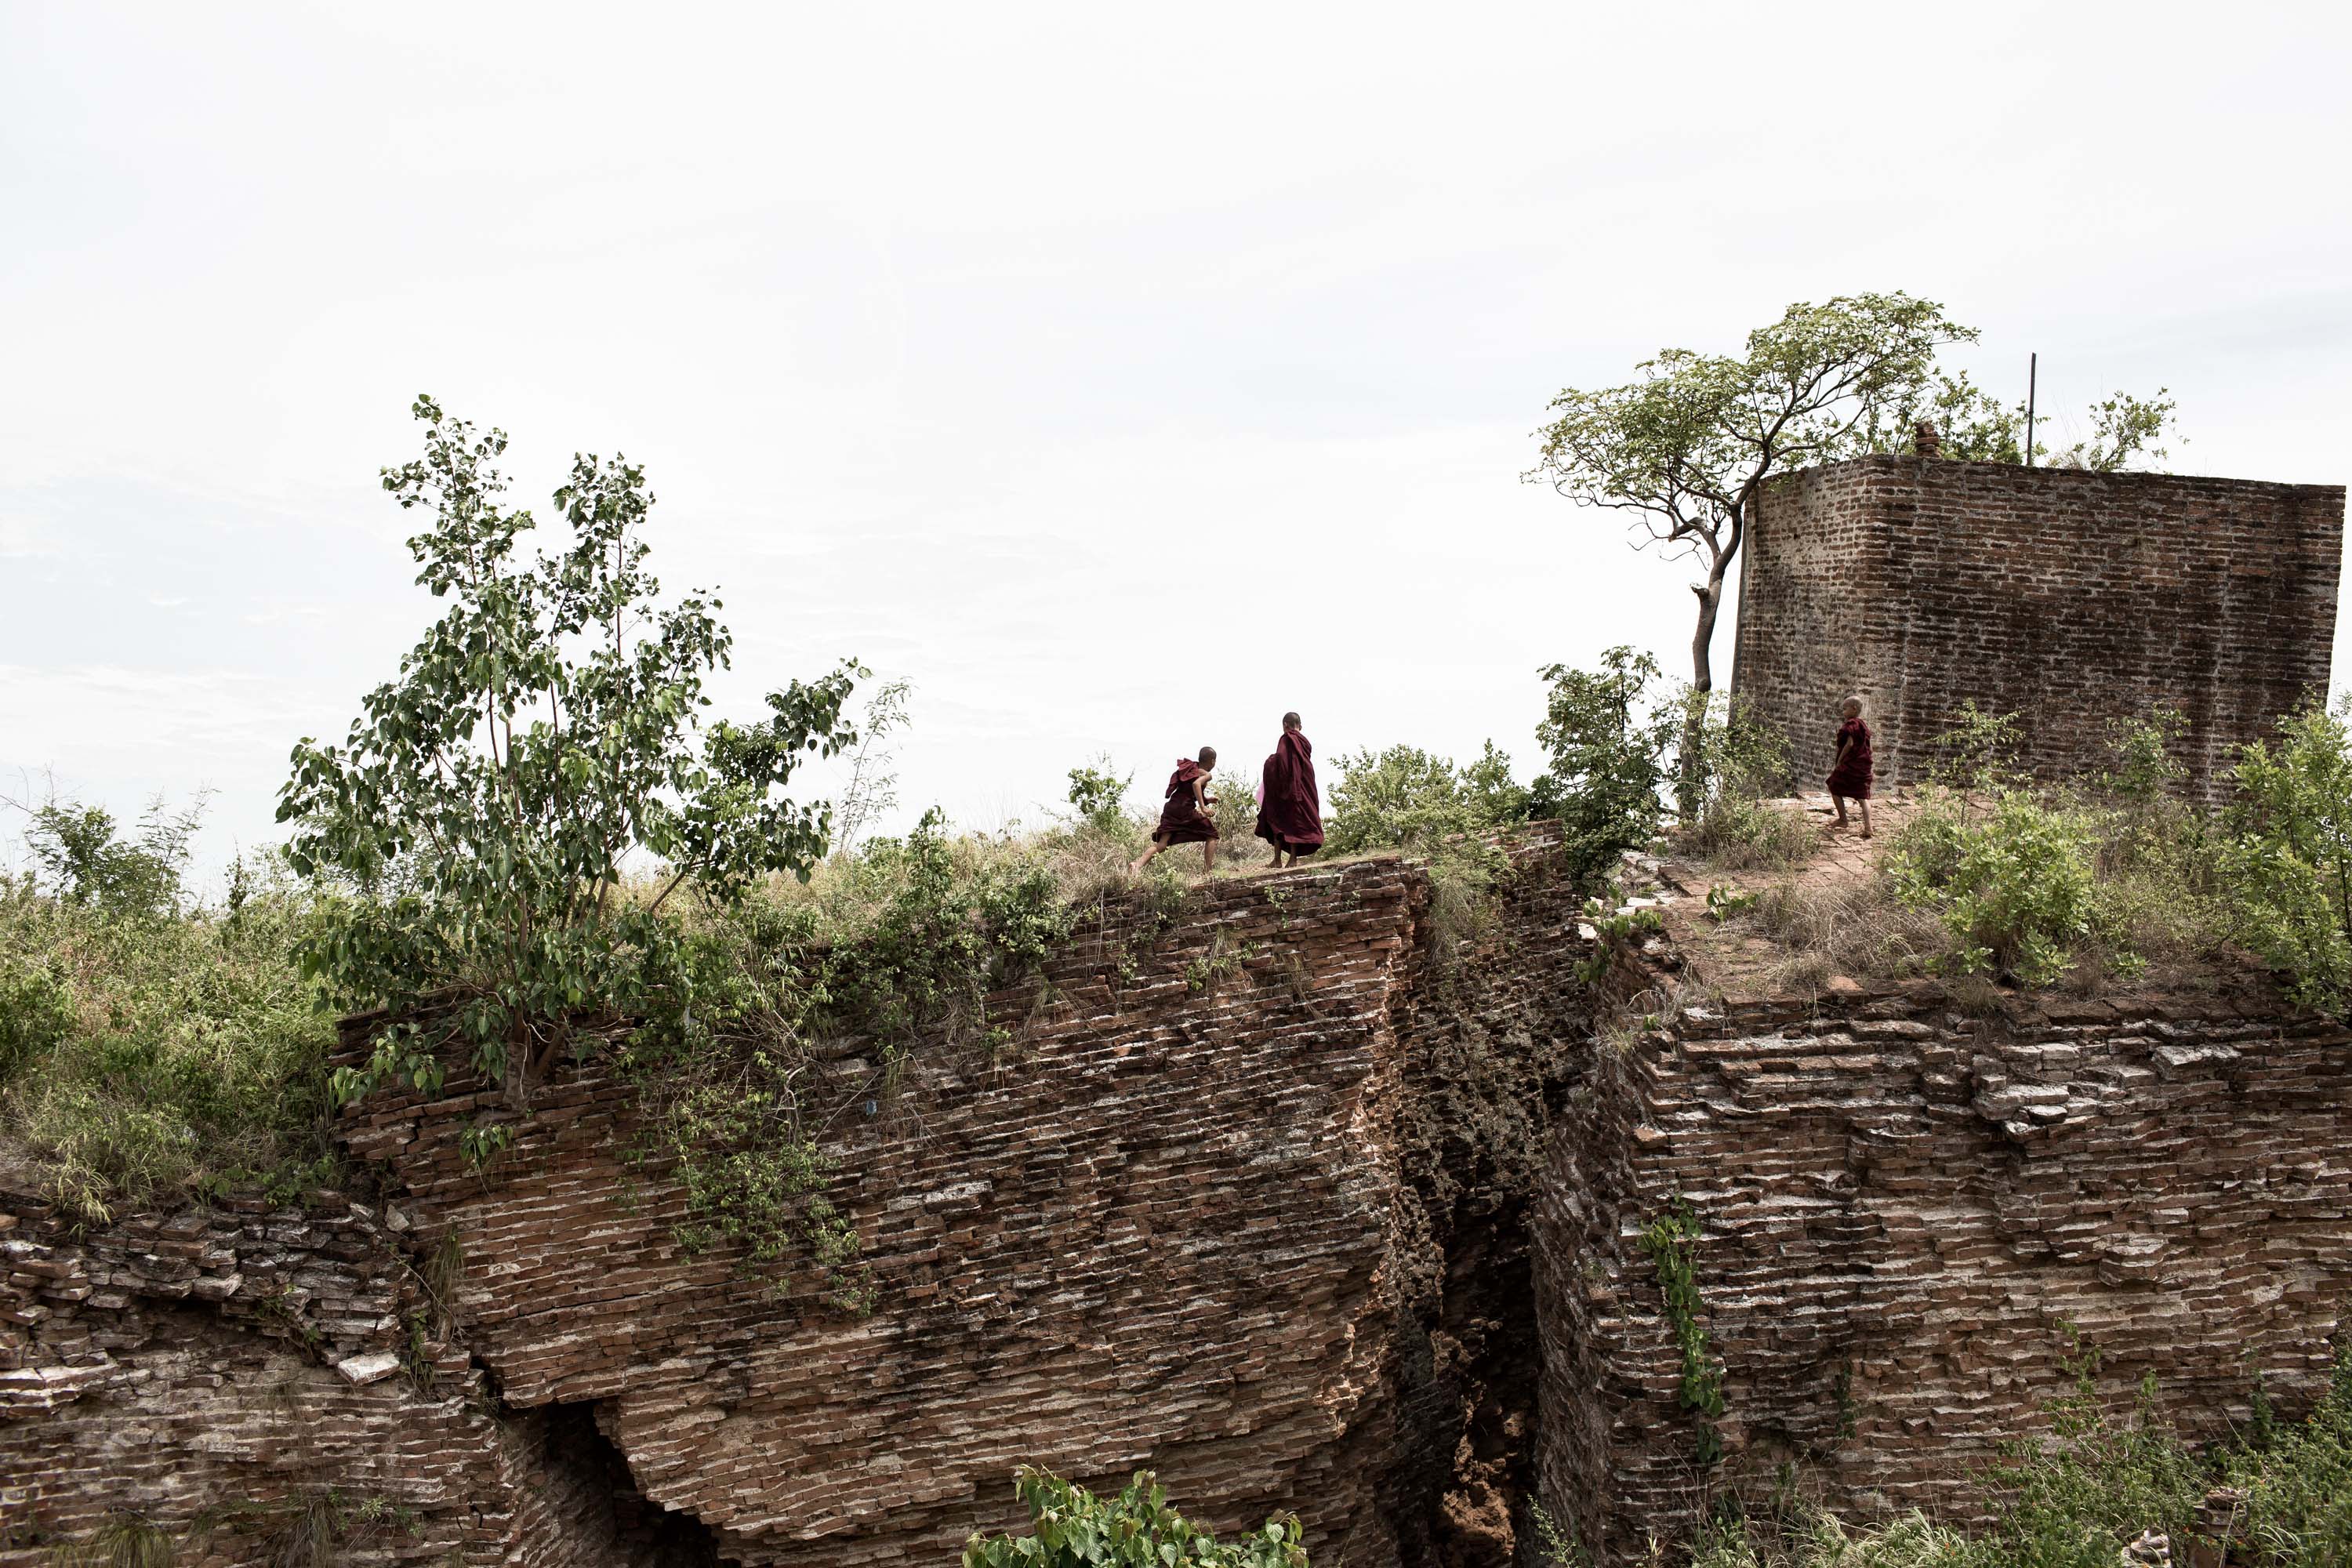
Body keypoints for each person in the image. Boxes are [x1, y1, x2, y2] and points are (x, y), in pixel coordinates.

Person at [1130, 747, 1221, 877]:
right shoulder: (1206, 774)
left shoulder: (1192, 768)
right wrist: (1203, 808)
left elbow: (1188, 791)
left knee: (1162, 844)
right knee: (1211, 834)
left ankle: (1137, 865)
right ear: (1212, 761)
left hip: (1172, 808)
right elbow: (1196, 785)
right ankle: (1208, 872)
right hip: (1184, 810)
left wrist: (1207, 800)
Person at [1255, 713, 1323, 868]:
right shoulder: (1304, 742)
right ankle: (1292, 859)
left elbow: (1281, 760)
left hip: (1287, 787)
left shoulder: (1287, 738)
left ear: (1285, 725)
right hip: (1304, 785)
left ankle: (1278, 860)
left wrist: (1269, 762)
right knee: (1295, 823)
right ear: (1301, 726)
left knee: (1277, 819)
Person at [1828, 696, 1873, 838]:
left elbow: (1850, 744)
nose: (1843, 712)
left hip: (1852, 764)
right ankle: (1868, 827)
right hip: (1863, 764)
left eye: (1845, 708)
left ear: (1854, 709)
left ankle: (1843, 820)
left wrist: (1840, 761)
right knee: (1863, 797)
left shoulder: (1851, 725)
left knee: (1834, 786)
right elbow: (1869, 746)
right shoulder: (1863, 725)